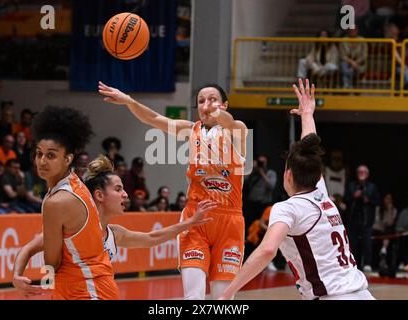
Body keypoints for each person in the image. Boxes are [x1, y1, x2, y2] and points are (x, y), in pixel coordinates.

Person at [219, 79, 374, 300]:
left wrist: (227, 294)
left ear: (288, 175)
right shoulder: (320, 192)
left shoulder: (288, 208)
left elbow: (267, 250)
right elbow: (309, 150)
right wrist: (307, 114)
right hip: (362, 294)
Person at [99, 80, 247, 300]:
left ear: (224, 105)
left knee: (222, 299)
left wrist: (215, 112)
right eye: (201, 101)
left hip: (230, 222)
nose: (205, 105)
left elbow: (230, 122)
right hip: (196, 220)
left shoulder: (237, 131)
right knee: (193, 297)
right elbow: (154, 119)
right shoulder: (191, 131)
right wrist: (129, 101)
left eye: (213, 100)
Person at [12, 155, 216, 297]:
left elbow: (152, 238)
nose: (125, 194)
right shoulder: (73, 227)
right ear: (99, 196)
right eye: (118, 189)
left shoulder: (114, 233)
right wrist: (17, 276)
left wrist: (189, 222)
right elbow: (29, 248)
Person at [31, 105, 118, 300]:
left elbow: (51, 263)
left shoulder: (57, 201)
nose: (42, 161)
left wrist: (46, 286)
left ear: (68, 158)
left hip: (88, 291)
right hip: (93, 286)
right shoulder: (74, 183)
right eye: (39, 153)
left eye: (51, 155)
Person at [344, 165, 381, 272]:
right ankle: (354, 262)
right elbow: (346, 199)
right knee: (353, 242)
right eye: (360, 172)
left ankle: (367, 263)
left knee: (367, 242)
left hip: (366, 220)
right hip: (353, 219)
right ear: (357, 174)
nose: (362, 174)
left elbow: (377, 201)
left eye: (364, 172)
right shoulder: (351, 185)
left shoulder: (372, 187)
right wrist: (354, 196)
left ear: (368, 174)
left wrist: (367, 200)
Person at [243, 154, 277, 233]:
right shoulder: (253, 172)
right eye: (259, 162)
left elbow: (271, 185)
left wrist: (261, 172)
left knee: (260, 227)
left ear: (267, 163)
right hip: (251, 204)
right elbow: (243, 180)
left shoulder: (270, 173)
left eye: (263, 162)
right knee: (250, 225)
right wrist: (250, 168)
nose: (260, 164)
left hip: (263, 205)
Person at [339, 24, 368, 89]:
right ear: (348, 31)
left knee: (350, 69)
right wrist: (351, 62)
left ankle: (348, 85)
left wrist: (356, 62)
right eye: (351, 30)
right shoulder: (343, 40)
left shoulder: (362, 40)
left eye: (354, 30)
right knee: (344, 65)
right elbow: (342, 55)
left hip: (359, 63)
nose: (352, 31)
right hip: (347, 63)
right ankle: (348, 85)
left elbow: (364, 55)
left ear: (357, 30)